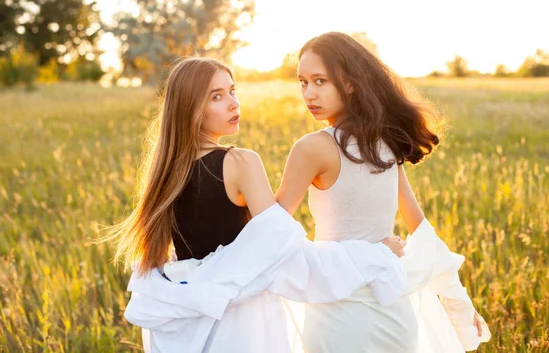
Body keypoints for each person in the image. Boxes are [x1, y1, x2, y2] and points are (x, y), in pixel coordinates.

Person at [104, 57, 412, 352]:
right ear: (190, 109)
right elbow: (287, 256)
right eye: (216, 96)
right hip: (240, 322)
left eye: (233, 91)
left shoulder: (166, 173)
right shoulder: (240, 162)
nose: (233, 103)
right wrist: (374, 253)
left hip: (186, 322)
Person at [275, 32, 490, 352]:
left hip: (339, 311)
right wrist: (458, 301)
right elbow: (424, 233)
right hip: (395, 313)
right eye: (303, 82)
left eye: (320, 81)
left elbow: (270, 231)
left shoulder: (312, 148)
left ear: (349, 83)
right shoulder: (384, 145)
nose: (309, 93)